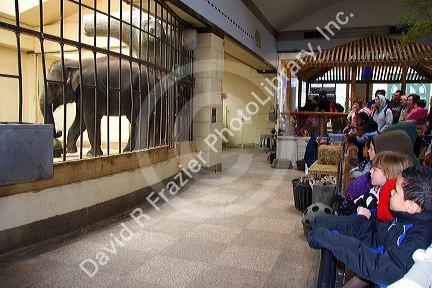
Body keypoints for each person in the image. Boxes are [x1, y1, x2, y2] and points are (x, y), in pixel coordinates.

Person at [308, 165, 432, 286]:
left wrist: (331, 240)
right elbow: (375, 236)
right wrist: (332, 225)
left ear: (411, 206)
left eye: (396, 191)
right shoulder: (405, 219)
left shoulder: (417, 241)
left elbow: (381, 269)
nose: (391, 192)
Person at [355, 151, 412, 220]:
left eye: (375, 169)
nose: (370, 171)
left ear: (388, 174)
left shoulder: (390, 206)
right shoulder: (375, 191)